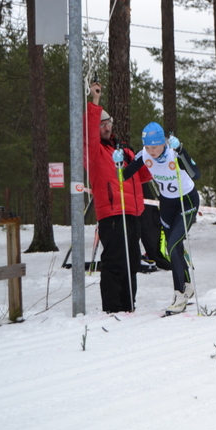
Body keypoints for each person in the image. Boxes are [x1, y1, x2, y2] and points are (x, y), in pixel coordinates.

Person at [117, 123, 201, 315]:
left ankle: (179, 295)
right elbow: (123, 176)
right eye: (147, 147)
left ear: (163, 143)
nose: (151, 151)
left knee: (172, 245)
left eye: (154, 146)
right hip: (167, 204)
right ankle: (187, 285)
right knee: (174, 248)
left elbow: (196, 174)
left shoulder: (173, 154)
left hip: (187, 201)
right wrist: (119, 163)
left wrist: (182, 151)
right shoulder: (144, 155)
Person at [85, 82, 152, 313]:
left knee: (132, 262)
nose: (106, 128)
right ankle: (112, 309)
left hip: (133, 213)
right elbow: (88, 130)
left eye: (108, 124)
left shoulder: (124, 151)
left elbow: (144, 176)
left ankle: (128, 306)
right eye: (101, 124)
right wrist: (95, 100)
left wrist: (149, 156)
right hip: (112, 214)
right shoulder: (94, 152)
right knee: (114, 261)